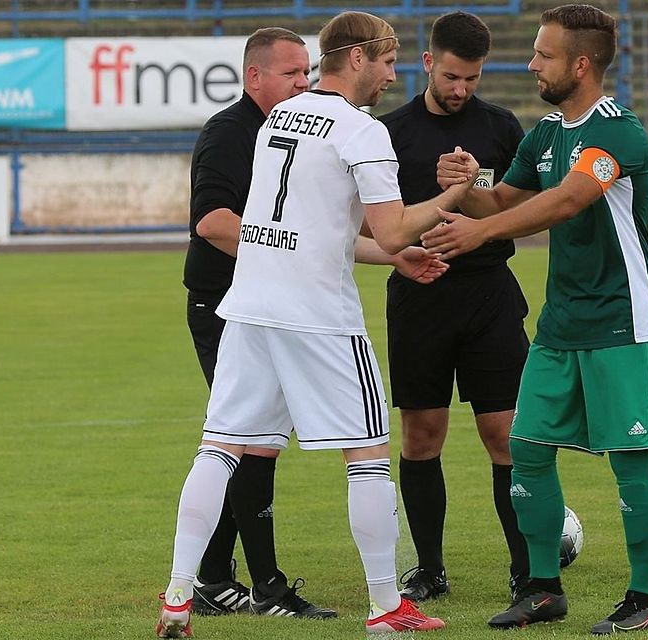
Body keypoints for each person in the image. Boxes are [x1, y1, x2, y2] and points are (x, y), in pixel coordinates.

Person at [157, 11, 479, 638]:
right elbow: (390, 225)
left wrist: (394, 256)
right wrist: (451, 198)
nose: (393, 74)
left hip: (250, 305)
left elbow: (310, 231)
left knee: (219, 446)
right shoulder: (361, 131)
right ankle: (387, 607)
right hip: (319, 316)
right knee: (368, 456)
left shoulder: (280, 118)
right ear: (357, 57)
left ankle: (175, 597)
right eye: (387, 61)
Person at [421, 4, 648, 633]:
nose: (532, 63)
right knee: (526, 449)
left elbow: (568, 199)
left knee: (629, 460)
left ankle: (643, 599)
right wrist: (459, 187)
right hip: (561, 323)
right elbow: (503, 197)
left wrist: (480, 233)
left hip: (620, 321)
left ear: (581, 64)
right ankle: (542, 589)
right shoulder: (548, 132)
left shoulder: (618, 131)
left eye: (544, 55)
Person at [378, 11, 531, 604]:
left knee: (506, 434)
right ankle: (431, 569)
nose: (461, 89)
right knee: (422, 433)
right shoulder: (389, 134)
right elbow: (378, 221)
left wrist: (471, 190)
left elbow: (520, 214)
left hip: (489, 294)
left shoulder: (500, 127)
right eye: (451, 76)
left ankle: (527, 568)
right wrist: (432, 205)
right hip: (419, 297)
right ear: (427, 63)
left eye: (471, 78)